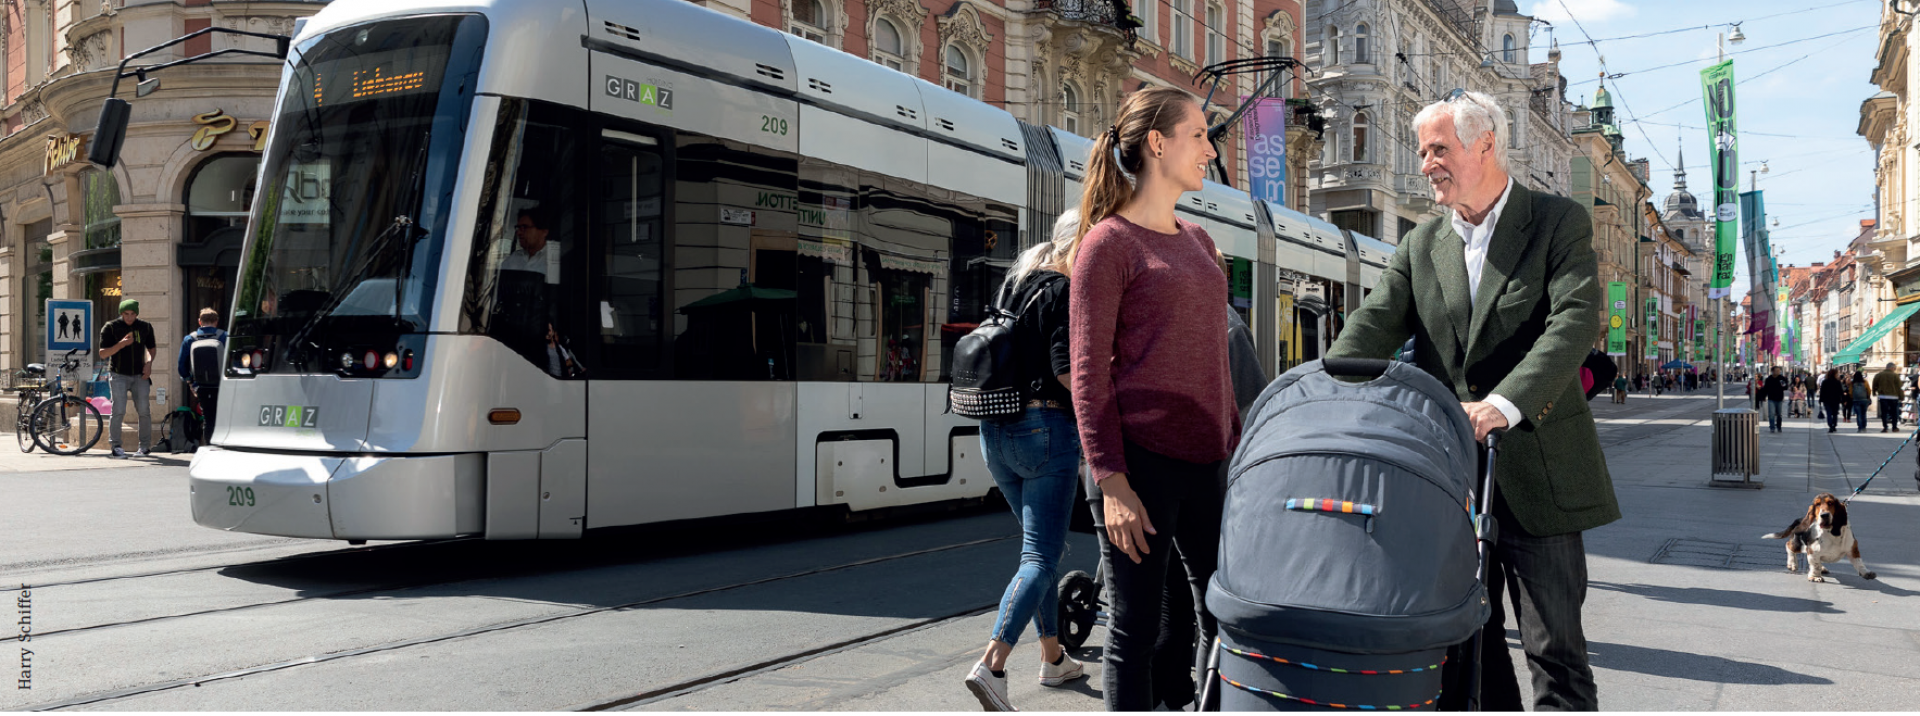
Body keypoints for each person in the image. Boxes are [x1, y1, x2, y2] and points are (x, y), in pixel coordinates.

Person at [1327, 89, 1616, 711]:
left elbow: (1572, 322)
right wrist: (1323, 390)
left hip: (1539, 471)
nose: (1425, 162)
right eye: (1422, 150)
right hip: (1450, 483)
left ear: (1485, 144)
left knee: (1555, 650)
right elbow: (1371, 327)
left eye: (1439, 149)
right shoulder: (1420, 245)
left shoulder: (1556, 221)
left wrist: (1504, 404)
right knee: (1464, 647)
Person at [1068, 85, 1237, 712]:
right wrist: (1111, 483)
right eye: (1199, 135)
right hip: (1139, 466)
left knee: (1220, 618)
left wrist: (1236, 440)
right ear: (1157, 144)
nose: (1210, 151)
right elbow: (1087, 374)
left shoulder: (1199, 242)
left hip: (1208, 461)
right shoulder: (1107, 245)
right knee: (1135, 631)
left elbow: (1215, 360)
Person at [963, 210, 1087, 711]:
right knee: (1039, 557)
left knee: (1040, 553)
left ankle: (1054, 658)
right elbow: (1063, 370)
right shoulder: (1065, 292)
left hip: (994, 432)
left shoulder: (1013, 285)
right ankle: (992, 664)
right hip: (1045, 431)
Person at [494, 207, 567, 375]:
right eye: (518, 228)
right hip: (511, 335)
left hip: (541, 338)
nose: (519, 232)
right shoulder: (511, 261)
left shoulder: (555, 260)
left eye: (525, 227)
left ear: (544, 231)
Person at [99, 298, 158, 458]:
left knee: (144, 410)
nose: (130, 317)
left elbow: (151, 348)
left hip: (140, 375)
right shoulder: (111, 327)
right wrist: (121, 344)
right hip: (118, 375)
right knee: (118, 410)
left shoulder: (145, 327)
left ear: (137, 314)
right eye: (126, 314)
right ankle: (116, 446)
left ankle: (144, 447)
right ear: (121, 313)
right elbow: (103, 353)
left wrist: (149, 363)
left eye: (133, 314)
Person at [176, 308, 228, 445]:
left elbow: (181, 366)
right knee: (222, 416)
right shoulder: (224, 337)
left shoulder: (190, 339)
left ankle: (209, 445)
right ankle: (222, 445)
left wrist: (190, 382)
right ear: (216, 322)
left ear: (200, 321)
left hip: (201, 385)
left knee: (208, 418)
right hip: (222, 385)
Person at [1873, 362, 1903, 433]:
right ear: (1892, 368)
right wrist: (1901, 396)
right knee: (1894, 413)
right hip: (1894, 397)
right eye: (1894, 368)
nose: (1895, 369)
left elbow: (1874, 384)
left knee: (1884, 413)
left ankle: (1885, 427)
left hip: (1883, 396)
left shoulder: (1879, 375)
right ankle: (1894, 427)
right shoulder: (1895, 376)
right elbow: (1899, 387)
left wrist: (1874, 392)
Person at [1761, 366, 1788, 433]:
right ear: (1772, 371)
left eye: (1779, 370)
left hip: (1779, 398)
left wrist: (1784, 382)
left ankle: (1779, 427)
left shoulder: (1781, 378)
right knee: (1771, 414)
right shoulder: (1769, 379)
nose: (1778, 372)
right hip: (1771, 398)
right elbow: (1765, 389)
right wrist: (1764, 396)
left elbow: (1785, 387)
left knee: (1779, 414)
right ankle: (1772, 427)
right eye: (1777, 370)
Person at [1820, 368, 1847, 433]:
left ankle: (1830, 425)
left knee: (1829, 413)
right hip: (1835, 400)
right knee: (1835, 414)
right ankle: (1834, 425)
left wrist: (1820, 400)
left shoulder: (1825, 382)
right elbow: (1841, 391)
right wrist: (1844, 400)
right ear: (1834, 374)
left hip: (1827, 400)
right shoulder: (1837, 382)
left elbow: (1822, 391)